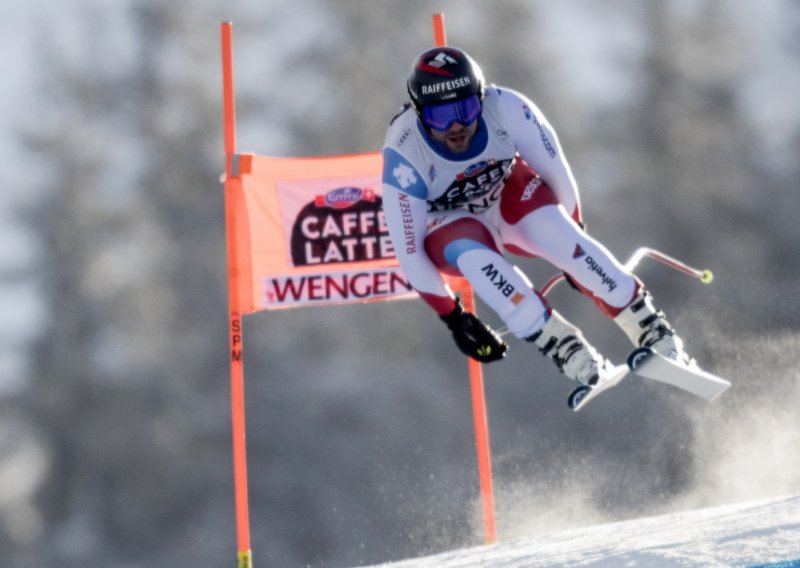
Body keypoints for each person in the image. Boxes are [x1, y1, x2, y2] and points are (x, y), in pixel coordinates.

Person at [381, 46, 691, 389]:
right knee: (478, 260)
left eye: (466, 109)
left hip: (507, 194)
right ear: (420, 113)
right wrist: (454, 317)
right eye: (441, 116)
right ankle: (568, 349)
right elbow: (408, 250)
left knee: (562, 236)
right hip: (451, 222)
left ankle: (652, 329)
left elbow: (558, 176)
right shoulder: (404, 150)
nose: (456, 126)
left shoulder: (509, 108)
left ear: (481, 98)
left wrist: (576, 245)